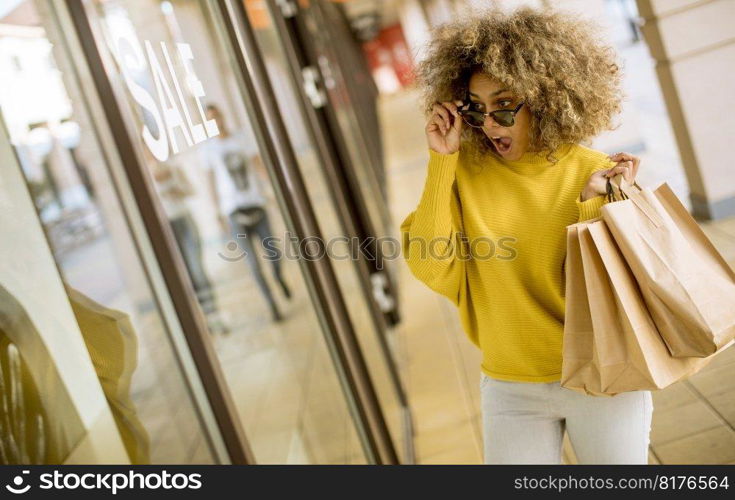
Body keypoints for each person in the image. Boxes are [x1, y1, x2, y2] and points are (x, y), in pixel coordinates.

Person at [400, 7, 652, 464]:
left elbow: (610, 293)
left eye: (504, 105)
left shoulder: (596, 172)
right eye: (476, 108)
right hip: (510, 386)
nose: (490, 124)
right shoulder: (464, 173)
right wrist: (441, 162)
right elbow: (428, 265)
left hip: (603, 377)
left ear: (547, 99)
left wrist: (595, 202)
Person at [203, 104, 290, 322]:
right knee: (252, 263)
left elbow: (257, 165)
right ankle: (271, 305)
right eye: (210, 120)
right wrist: (217, 212)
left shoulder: (241, 138)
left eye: (217, 116)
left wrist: (271, 190)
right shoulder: (207, 150)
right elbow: (210, 182)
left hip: (255, 203)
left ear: (223, 116)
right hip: (233, 212)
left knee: (274, 253)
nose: (216, 122)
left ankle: (279, 278)